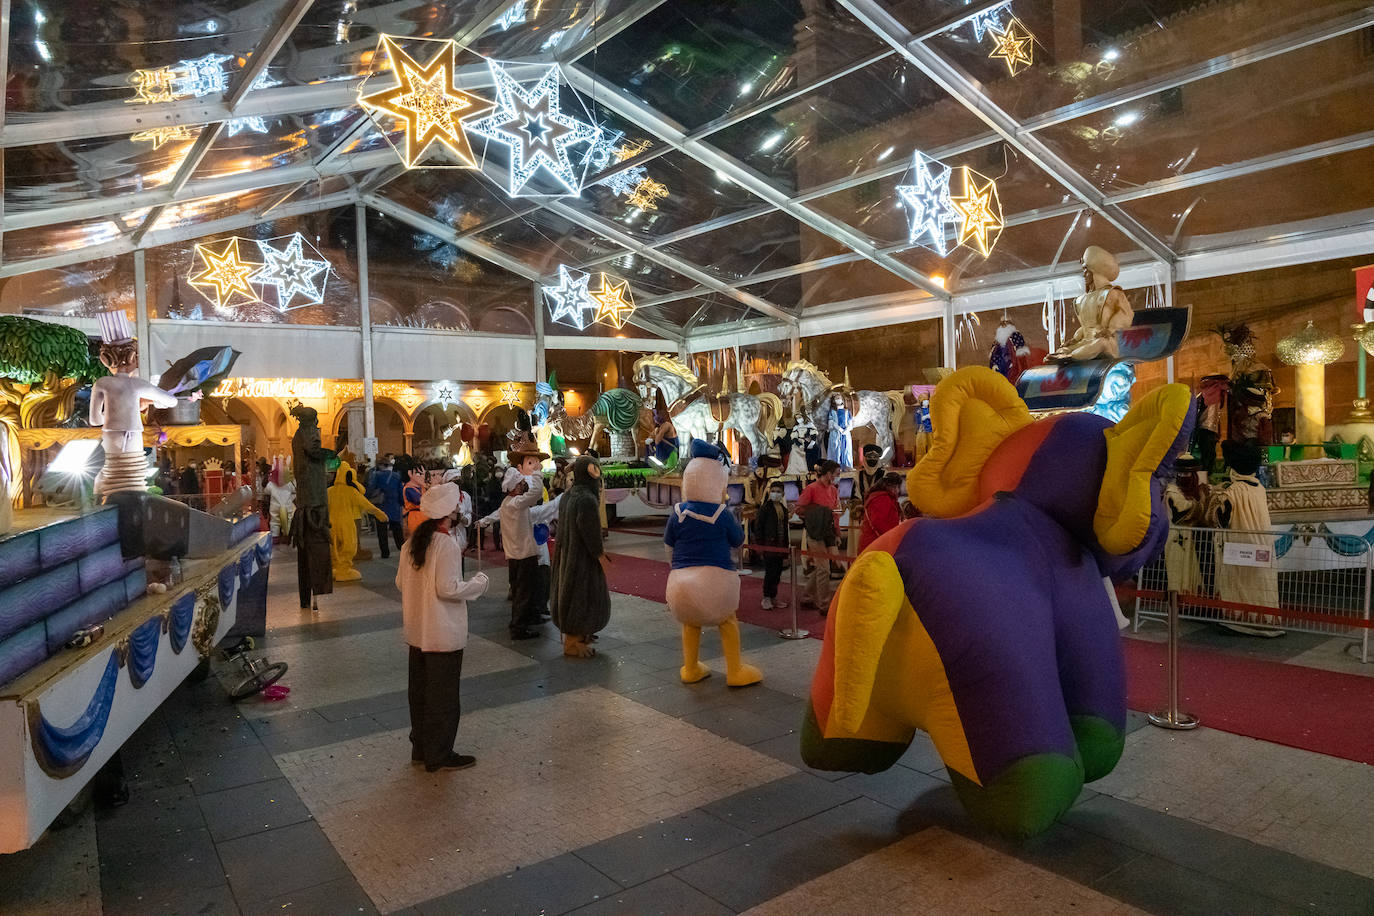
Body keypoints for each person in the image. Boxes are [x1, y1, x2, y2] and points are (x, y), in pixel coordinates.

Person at [396, 482, 490, 772]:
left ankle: (421, 749)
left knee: (421, 693)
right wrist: (478, 584)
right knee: (443, 697)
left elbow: (400, 582)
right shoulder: (446, 544)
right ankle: (440, 754)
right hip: (441, 632)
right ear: (449, 512)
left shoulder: (411, 543)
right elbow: (448, 588)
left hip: (417, 631)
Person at [1206, 441, 1283, 637]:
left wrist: (1213, 499)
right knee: (1259, 584)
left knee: (1239, 583)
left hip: (1239, 549)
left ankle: (1239, 623)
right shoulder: (1259, 487)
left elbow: (1217, 519)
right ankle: (1264, 621)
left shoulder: (1232, 493)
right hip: (1261, 546)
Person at [550, 456, 611, 657]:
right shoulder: (586, 499)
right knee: (581, 595)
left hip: (566, 554)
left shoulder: (568, 495)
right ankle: (573, 641)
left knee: (567, 591)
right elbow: (590, 530)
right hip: (581, 559)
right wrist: (599, 554)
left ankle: (580, 633)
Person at [498, 446, 550, 639]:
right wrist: (537, 473)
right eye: (520, 485)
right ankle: (518, 626)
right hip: (522, 555)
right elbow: (536, 493)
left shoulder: (506, 504)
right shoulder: (515, 503)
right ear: (515, 487)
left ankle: (526, 619)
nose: (523, 487)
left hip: (516, 554)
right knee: (524, 592)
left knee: (524, 590)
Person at [288, 405, 332, 611]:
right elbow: (315, 451)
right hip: (314, 503)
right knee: (317, 553)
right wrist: (333, 454)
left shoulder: (298, 435)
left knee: (305, 557)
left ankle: (306, 598)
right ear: (313, 421)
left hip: (306, 499)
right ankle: (317, 595)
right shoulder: (309, 434)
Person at [328, 461, 389, 582]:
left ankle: (335, 568)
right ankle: (344, 571)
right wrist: (380, 514)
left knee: (334, 547)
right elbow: (367, 505)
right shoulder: (351, 491)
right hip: (346, 524)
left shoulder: (329, 491)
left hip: (331, 525)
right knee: (348, 547)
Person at [795, 460, 841, 610]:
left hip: (828, 532)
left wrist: (837, 533)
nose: (837, 477)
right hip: (816, 533)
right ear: (828, 474)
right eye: (836, 474)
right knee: (824, 569)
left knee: (823, 567)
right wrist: (817, 514)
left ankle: (807, 596)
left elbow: (835, 514)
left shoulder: (833, 490)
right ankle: (825, 604)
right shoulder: (811, 489)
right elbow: (799, 509)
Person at [755, 479, 790, 611]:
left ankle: (774, 597)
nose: (775, 494)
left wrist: (786, 549)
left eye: (778, 492)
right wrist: (760, 545)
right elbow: (758, 528)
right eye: (773, 491)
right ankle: (766, 597)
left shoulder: (783, 509)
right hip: (769, 545)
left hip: (780, 545)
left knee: (778, 572)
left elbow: (785, 530)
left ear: (783, 494)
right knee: (770, 572)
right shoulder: (765, 509)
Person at [366, 457, 406, 558]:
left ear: (380, 465)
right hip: (394, 505)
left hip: (382, 504)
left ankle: (385, 552)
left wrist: (366, 499)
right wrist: (402, 502)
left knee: (382, 530)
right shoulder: (397, 476)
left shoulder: (377, 475)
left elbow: (371, 488)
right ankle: (402, 549)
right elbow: (401, 491)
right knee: (397, 528)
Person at [859, 472, 903, 552]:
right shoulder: (882, 499)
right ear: (892, 486)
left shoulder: (879, 497)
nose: (898, 490)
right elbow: (878, 523)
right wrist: (891, 538)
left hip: (874, 542)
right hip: (876, 544)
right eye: (897, 487)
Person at [826, 394, 854, 468]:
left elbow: (850, 423)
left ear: (842, 399)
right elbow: (831, 422)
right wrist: (840, 429)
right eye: (836, 398)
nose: (838, 399)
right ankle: (835, 467)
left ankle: (847, 466)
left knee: (846, 450)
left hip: (846, 434)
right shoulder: (832, 411)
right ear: (834, 401)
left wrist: (846, 430)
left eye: (839, 398)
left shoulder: (847, 411)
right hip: (836, 433)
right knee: (836, 450)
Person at [402, 461, 426, 534]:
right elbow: (418, 500)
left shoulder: (422, 487)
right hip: (415, 517)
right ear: (410, 473)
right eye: (419, 474)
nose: (422, 477)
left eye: (424, 474)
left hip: (425, 517)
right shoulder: (408, 488)